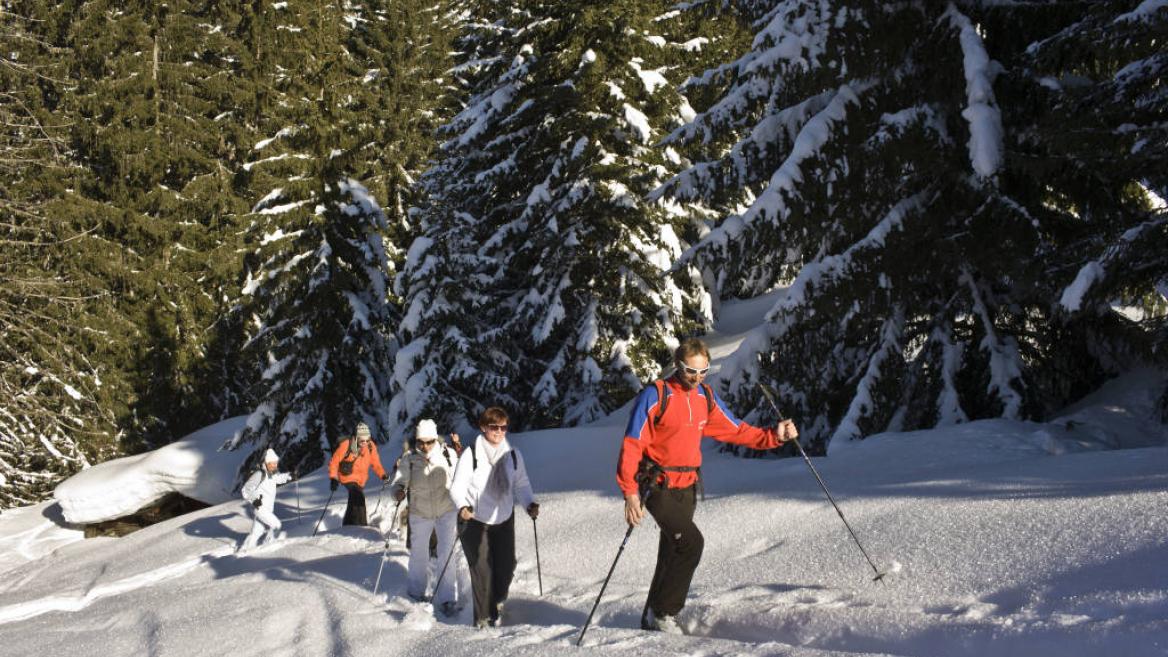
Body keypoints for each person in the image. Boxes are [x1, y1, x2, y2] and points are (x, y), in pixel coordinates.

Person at [617, 337, 799, 634]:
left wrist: (774, 436)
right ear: (678, 365)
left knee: (672, 551)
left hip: (687, 487)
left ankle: (651, 619)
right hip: (657, 485)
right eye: (691, 371)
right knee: (691, 545)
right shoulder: (656, 395)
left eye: (703, 372)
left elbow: (735, 430)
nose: (697, 378)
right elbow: (632, 444)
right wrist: (630, 492)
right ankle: (664, 613)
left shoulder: (705, 397)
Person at [449, 407, 539, 629]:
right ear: (483, 427)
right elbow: (456, 488)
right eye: (494, 427)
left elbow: (521, 483)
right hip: (474, 520)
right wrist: (462, 507)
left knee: (506, 567)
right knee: (482, 571)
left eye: (504, 427)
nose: (499, 432)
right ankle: (484, 619)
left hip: (504, 518)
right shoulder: (471, 454)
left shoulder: (513, 455)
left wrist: (529, 503)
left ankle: (497, 601)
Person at [391, 419, 462, 615]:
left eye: (429, 441)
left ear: (435, 439)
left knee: (446, 553)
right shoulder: (409, 459)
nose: (425, 446)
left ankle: (448, 598)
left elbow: (460, 479)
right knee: (418, 554)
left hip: (446, 510)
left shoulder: (448, 455)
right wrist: (398, 491)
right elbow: (399, 482)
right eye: (420, 441)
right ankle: (416, 593)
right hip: (420, 512)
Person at [329, 422, 388, 526]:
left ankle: (348, 524)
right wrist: (333, 478)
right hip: (347, 476)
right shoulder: (347, 445)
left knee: (355, 499)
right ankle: (360, 525)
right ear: (356, 437)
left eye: (367, 440)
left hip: (361, 480)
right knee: (357, 496)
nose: (364, 442)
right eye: (362, 440)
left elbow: (376, 463)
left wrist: (382, 475)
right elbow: (334, 462)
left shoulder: (370, 446)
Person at [240, 448, 292, 551]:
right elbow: (245, 490)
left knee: (256, 532)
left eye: (276, 463)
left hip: (268, 508)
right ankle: (267, 549)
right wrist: (254, 500)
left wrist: (290, 476)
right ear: (266, 462)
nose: (275, 465)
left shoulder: (272, 473)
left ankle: (244, 551)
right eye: (272, 463)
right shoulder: (259, 474)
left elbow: (279, 478)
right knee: (276, 525)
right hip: (260, 508)